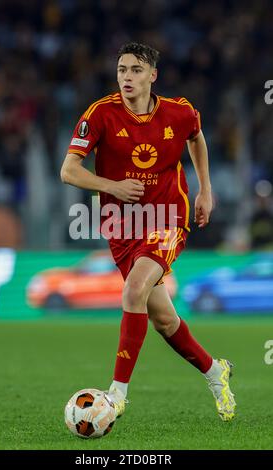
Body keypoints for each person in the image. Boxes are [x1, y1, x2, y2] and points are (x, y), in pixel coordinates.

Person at [61, 42, 236, 422]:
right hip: (122, 227)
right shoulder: (100, 114)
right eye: (122, 69)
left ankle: (117, 394)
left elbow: (196, 137)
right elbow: (68, 170)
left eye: (136, 70)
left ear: (152, 76)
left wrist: (205, 189)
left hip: (168, 217)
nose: (127, 76)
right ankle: (215, 372)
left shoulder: (180, 111)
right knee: (164, 321)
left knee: (134, 289)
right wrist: (112, 186)